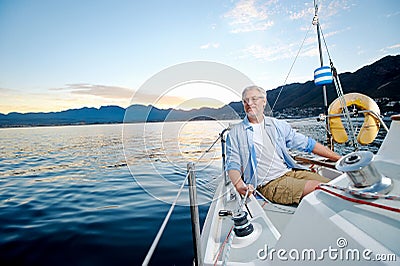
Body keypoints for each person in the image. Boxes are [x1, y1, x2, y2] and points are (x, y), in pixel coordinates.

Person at [225, 85, 341, 205]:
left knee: (335, 184)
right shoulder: (235, 133)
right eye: (245, 101)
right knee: (325, 188)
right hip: (268, 183)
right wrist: (239, 185)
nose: (249, 103)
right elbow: (233, 164)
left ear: (264, 101)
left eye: (254, 99)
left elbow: (308, 144)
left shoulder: (277, 125)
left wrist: (339, 159)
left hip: (289, 172)